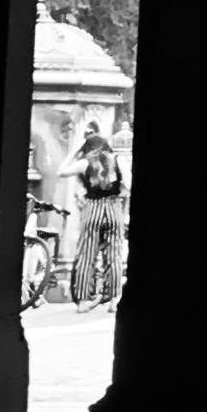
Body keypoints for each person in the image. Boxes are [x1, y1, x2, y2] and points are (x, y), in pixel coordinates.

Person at [70, 122, 129, 306]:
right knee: (114, 255)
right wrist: (120, 194)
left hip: (92, 208)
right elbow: (129, 184)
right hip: (113, 207)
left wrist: (74, 152)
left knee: (87, 255)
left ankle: (82, 301)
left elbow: (61, 171)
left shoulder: (85, 162)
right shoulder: (118, 159)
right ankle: (113, 299)